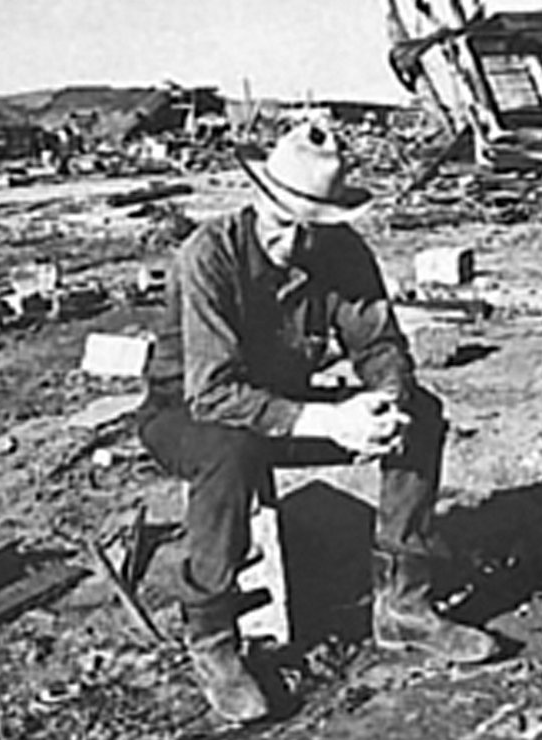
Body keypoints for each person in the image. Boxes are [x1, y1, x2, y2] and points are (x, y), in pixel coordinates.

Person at [137, 122, 498, 723]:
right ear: (257, 199)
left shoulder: (339, 250)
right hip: (190, 413)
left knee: (423, 416)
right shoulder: (208, 254)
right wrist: (327, 420)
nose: (292, 243)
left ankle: (402, 604)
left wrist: (385, 402)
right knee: (230, 453)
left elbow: (380, 344)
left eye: (310, 228)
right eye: (282, 225)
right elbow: (213, 393)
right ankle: (213, 642)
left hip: (292, 408)